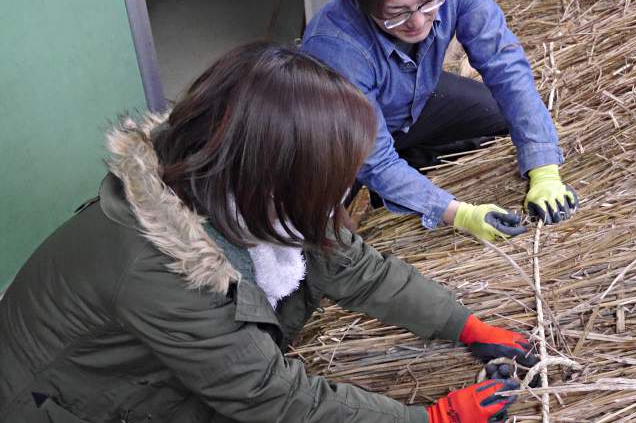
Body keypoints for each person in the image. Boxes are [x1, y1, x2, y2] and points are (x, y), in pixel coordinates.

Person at [0, 43, 537, 423]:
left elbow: (353, 266)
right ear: (270, 165)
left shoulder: (248, 186)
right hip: (58, 403)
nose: (339, 194)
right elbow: (270, 398)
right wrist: (428, 420)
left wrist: (462, 324)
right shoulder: (159, 267)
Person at [301, 0, 578, 242]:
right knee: (325, 236)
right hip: (339, 144)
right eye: (397, 14)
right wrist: (459, 213)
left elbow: (504, 63)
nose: (418, 22)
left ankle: (412, 165)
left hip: (414, 106)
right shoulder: (335, 48)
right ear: (362, 3)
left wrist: (543, 167)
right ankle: (393, 192)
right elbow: (373, 159)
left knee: (500, 116)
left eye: (428, 3)